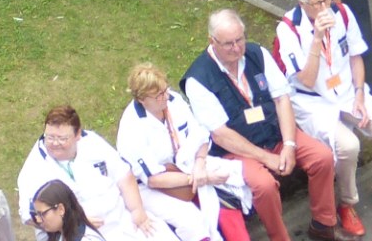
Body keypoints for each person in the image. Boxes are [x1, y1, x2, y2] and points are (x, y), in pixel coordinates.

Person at [181, 10, 341, 241]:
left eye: (240, 39)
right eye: (228, 44)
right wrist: (266, 158)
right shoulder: (198, 79)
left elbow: (282, 98)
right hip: (237, 151)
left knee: (322, 157)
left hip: (274, 134)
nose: (237, 48)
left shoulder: (257, 54)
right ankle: (280, 238)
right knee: (264, 186)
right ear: (212, 42)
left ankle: (324, 224)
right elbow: (221, 135)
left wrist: (288, 144)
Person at [274, 0, 372, 236]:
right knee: (348, 146)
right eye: (318, 3)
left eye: (328, 0)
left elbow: (356, 56)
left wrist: (359, 94)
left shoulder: (342, 13)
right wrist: (318, 38)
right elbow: (308, 80)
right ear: (303, 4)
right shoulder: (288, 29)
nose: (325, 8)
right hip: (314, 102)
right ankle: (347, 203)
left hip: (347, 91)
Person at [116, 63, 245, 241]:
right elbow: (153, 179)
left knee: (231, 192)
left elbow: (199, 134)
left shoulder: (174, 100)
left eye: (165, 89)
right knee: (192, 221)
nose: (166, 96)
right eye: (159, 95)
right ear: (142, 99)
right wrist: (202, 178)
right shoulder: (132, 128)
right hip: (149, 187)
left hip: (190, 167)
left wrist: (200, 164)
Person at [15, 104, 157, 241]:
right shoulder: (34, 168)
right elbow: (29, 214)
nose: (55, 143)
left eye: (62, 138)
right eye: (50, 137)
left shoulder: (92, 142)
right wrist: (74, 221)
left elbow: (123, 175)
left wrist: (137, 210)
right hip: (76, 234)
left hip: (121, 220)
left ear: (78, 135)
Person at [26, 179, 105, 241]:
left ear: (61, 209)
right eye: (37, 214)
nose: (38, 220)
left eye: (42, 214)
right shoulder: (59, 235)